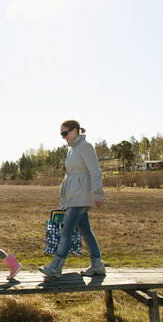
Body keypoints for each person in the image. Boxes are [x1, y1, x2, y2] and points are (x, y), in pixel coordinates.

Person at [39, 120, 106, 279]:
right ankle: (98, 265)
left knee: (66, 230)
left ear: (75, 131)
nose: (63, 137)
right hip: (75, 196)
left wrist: (98, 195)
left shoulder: (85, 147)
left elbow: (95, 172)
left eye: (65, 133)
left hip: (82, 197)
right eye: (61, 134)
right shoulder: (72, 150)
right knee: (85, 231)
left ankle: (56, 267)